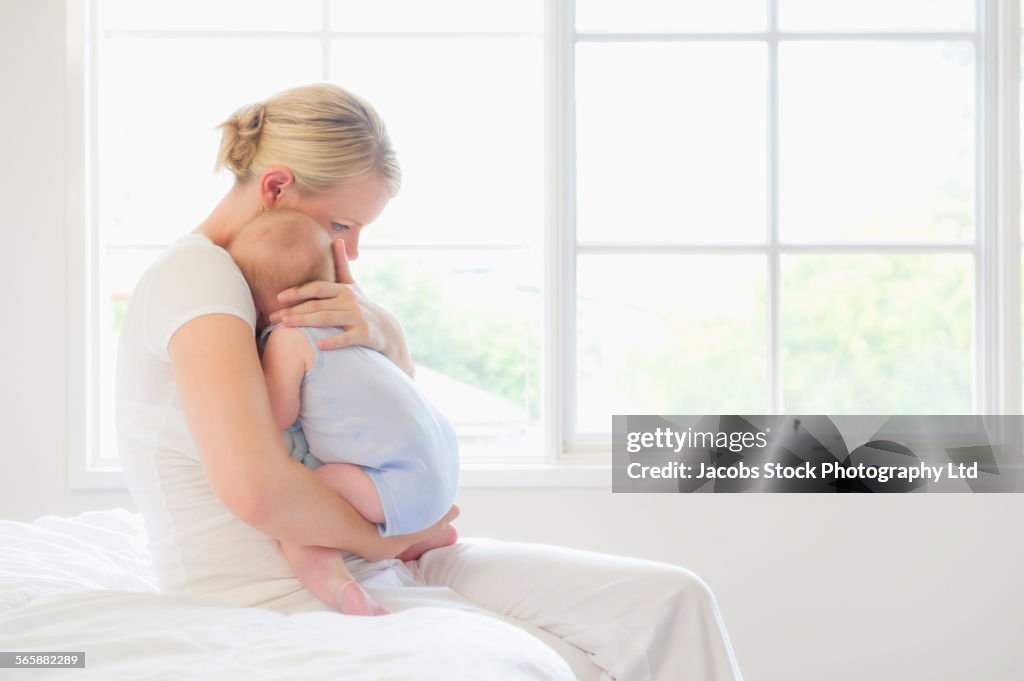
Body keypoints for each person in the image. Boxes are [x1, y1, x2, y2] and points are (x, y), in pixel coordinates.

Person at [115, 82, 743, 681]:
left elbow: (382, 420)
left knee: (673, 600)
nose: (351, 251)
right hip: (281, 588)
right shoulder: (199, 280)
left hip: (382, 558)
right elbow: (257, 492)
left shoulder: (281, 278)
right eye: (341, 226)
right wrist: (393, 540)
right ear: (277, 186)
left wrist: (390, 338)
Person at [226, 208, 460, 616]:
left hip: (399, 487)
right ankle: (417, 539)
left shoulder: (288, 338)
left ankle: (335, 585)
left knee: (299, 499)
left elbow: (278, 416)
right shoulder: (354, 325)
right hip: (440, 473)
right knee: (339, 486)